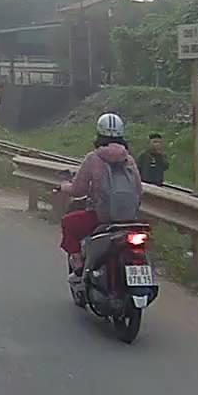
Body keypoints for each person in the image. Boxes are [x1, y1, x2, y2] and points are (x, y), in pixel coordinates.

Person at [59, 113, 144, 278]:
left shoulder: (93, 158)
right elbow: (139, 190)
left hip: (101, 218)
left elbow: (78, 190)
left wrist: (64, 187)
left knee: (68, 223)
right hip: (128, 220)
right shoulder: (129, 160)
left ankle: (77, 263)